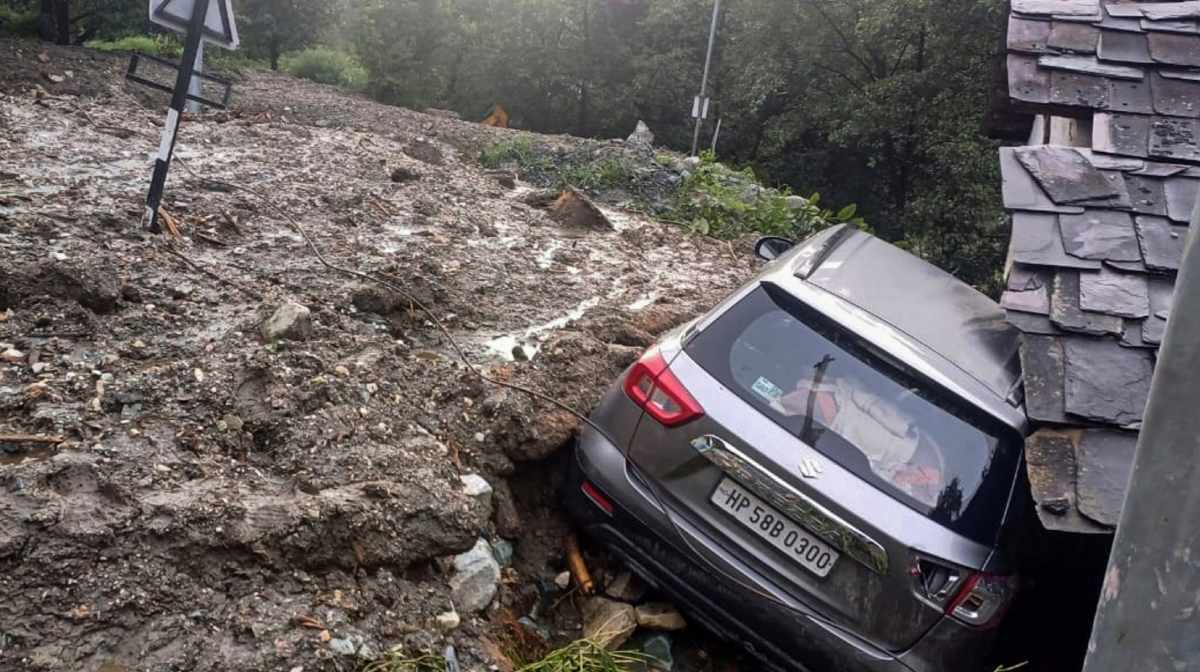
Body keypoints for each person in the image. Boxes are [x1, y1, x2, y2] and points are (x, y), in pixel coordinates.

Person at [774, 367, 944, 506]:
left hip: (904, 455)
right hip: (895, 459)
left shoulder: (840, 396)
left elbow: (876, 409)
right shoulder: (824, 399)